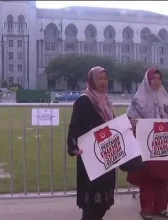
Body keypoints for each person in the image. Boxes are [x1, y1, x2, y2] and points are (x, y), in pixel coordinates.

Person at [126, 68, 168, 220]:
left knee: (163, 177)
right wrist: (134, 123)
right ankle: (147, 208)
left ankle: (161, 208)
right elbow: (130, 120)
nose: (156, 81)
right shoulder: (138, 100)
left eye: (159, 78)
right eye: (153, 78)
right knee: (147, 177)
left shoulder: (166, 99)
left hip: (164, 143)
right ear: (147, 80)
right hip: (146, 145)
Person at [67, 66, 116, 220]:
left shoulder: (106, 101)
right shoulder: (84, 100)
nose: (103, 82)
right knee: (91, 203)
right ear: (91, 80)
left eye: (105, 79)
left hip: (107, 154)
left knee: (103, 200)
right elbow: (74, 125)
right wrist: (73, 146)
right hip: (90, 155)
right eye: (99, 79)